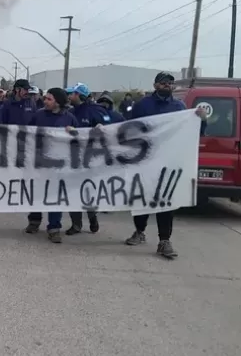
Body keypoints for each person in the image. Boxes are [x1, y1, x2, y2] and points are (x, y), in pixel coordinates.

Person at [125, 72, 206, 259]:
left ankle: (164, 240)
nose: (167, 85)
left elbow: (192, 132)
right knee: (143, 199)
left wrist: (201, 119)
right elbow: (128, 127)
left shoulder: (179, 107)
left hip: (168, 162)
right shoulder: (143, 105)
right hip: (145, 160)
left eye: (170, 83)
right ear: (155, 85)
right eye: (163, 83)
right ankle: (139, 231)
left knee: (166, 201)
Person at [29, 87, 78, 243]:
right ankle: (34, 221)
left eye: (49, 99)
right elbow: (26, 133)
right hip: (40, 162)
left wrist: (74, 132)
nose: (45, 101)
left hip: (59, 164)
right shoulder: (38, 115)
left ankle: (54, 227)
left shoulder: (69, 118)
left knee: (55, 195)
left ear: (58, 101)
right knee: (37, 192)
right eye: (45, 98)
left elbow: (81, 138)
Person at [0, 79, 39, 233]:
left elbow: (35, 123)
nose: (27, 92)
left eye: (28, 89)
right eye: (25, 89)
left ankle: (34, 220)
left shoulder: (31, 104)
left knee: (31, 182)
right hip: (11, 146)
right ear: (17, 90)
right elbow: (0, 124)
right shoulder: (7, 104)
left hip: (29, 147)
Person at [65, 82, 106, 235]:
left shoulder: (97, 111)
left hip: (90, 158)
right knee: (72, 191)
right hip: (72, 157)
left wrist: (103, 126)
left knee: (87, 191)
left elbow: (111, 124)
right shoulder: (69, 112)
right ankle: (76, 224)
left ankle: (92, 217)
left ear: (78, 95)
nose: (69, 96)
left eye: (71, 94)